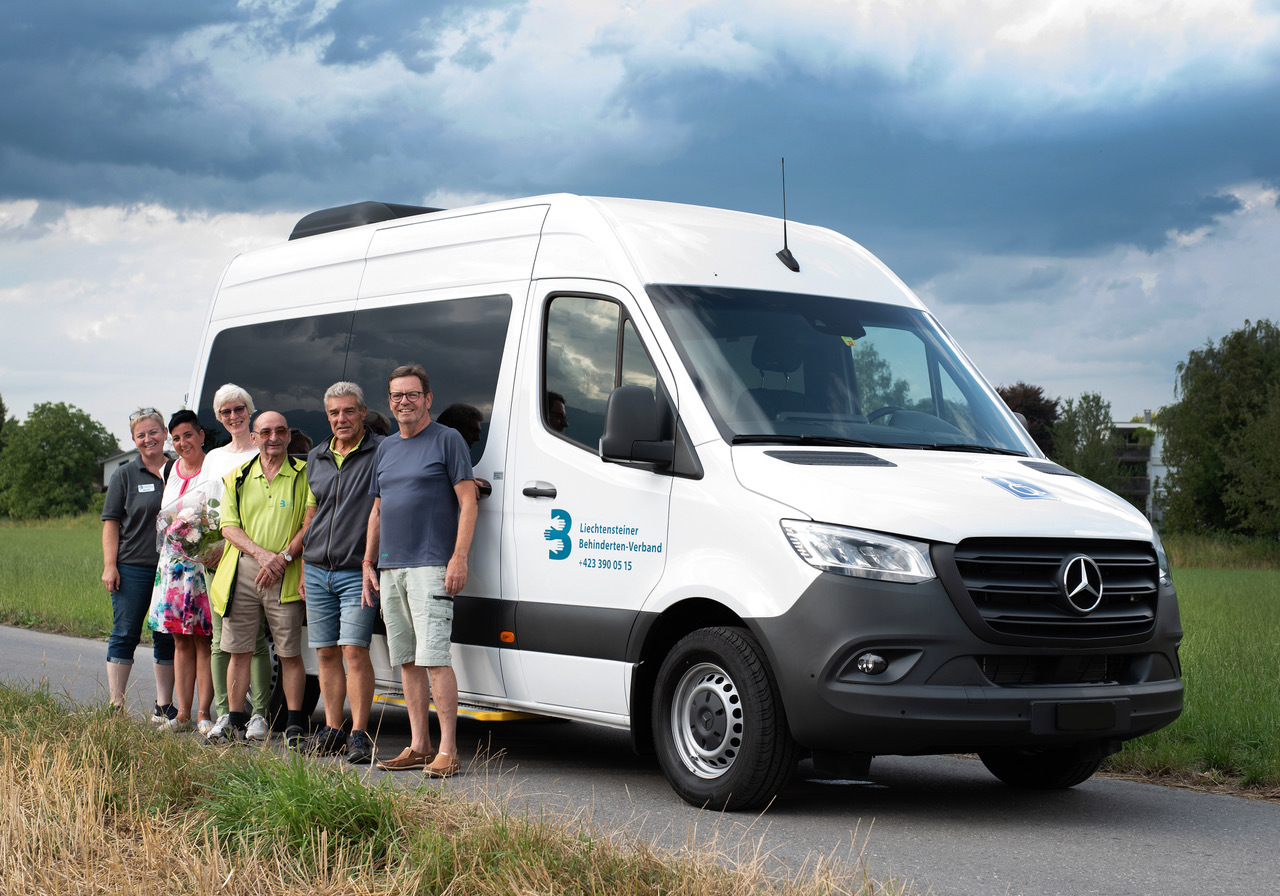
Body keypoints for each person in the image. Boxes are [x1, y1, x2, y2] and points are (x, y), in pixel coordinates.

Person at [363, 364, 477, 776]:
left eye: (412, 394)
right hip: (391, 567)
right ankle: (419, 746)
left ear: (428, 399)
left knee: (435, 658)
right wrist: (368, 562)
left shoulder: (447, 440)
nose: (404, 402)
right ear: (389, 402)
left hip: (431, 565)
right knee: (407, 660)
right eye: (397, 396)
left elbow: (468, 502)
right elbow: (377, 510)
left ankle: (448, 751)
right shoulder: (386, 448)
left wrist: (458, 557)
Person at [207, 410, 311, 747]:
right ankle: (234, 720)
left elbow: (309, 523)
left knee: (289, 653)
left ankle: (293, 725)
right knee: (238, 651)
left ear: (289, 436)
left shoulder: (305, 474)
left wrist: (283, 557)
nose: (273, 438)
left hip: (287, 570)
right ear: (253, 438)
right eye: (265, 432)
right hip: (245, 570)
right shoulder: (237, 477)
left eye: (280, 431)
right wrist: (263, 555)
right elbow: (228, 526)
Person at [299, 382, 384, 764]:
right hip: (317, 568)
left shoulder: (381, 451)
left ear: (363, 412)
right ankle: (333, 730)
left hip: (357, 570)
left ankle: (359, 734)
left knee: (354, 650)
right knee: (326, 652)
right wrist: (304, 566)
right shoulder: (316, 456)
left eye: (349, 411)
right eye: (334, 412)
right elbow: (312, 513)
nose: (341, 418)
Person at [202, 384, 275, 741]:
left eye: (239, 409)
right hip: (217, 558)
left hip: (252, 556)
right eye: (226, 412)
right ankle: (224, 715)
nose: (234, 416)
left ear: (250, 410)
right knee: (220, 641)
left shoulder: (263, 450)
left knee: (256, 641)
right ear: (219, 417)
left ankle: (259, 714)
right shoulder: (214, 458)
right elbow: (204, 508)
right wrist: (205, 548)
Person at [145, 410, 219, 733]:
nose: (182, 442)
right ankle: (183, 714)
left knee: (204, 639)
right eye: (176, 438)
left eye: (188, 435)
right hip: (173, 566)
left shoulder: (214, 468)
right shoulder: (169, 470)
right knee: (179, 640)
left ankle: (204, 713)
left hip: (203, 563)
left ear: (201, 435)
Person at [100, 408, 176, 718]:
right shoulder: (124, 475)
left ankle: (164, 706)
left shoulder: (179, 469)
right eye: (141, 435)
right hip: (132, 568)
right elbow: (111, 522)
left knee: (166, 636)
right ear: (134, 440)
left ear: (165, 433)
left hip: (172, 569)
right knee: (125, 633)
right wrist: (110, 565)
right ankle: (116, 706)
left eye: (153, 432)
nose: (148, 439)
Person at [436, 402, 491, 498]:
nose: (477, 438)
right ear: (452, 430)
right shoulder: (430, 458)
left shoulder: (458, 459)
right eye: (472, 431)